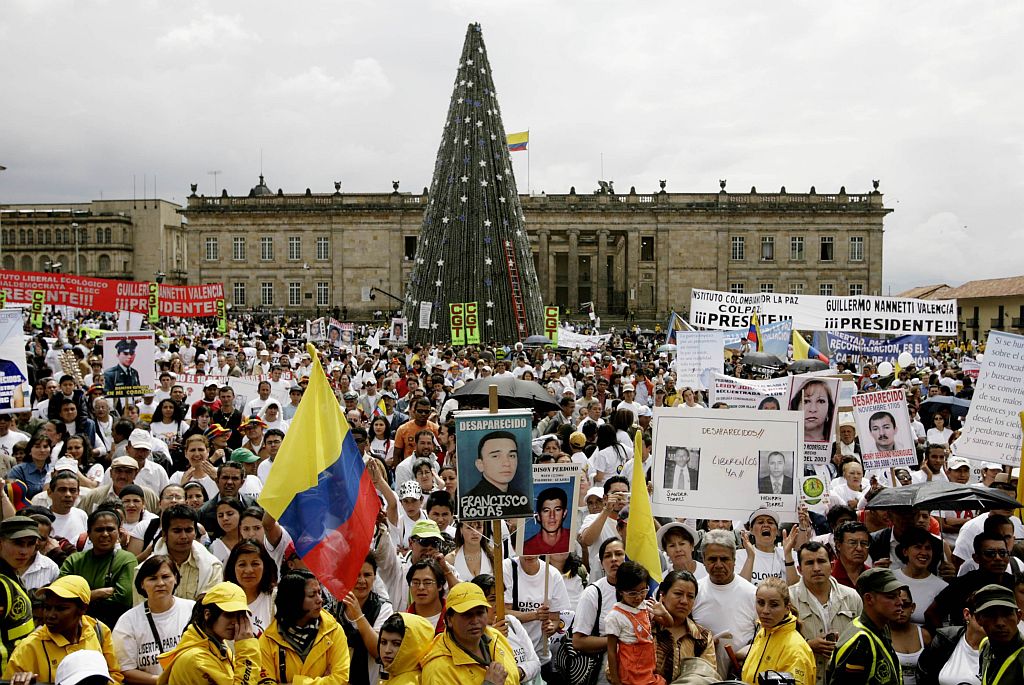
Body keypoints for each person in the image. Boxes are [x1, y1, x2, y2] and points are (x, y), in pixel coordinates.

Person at [3, 575, 121, 683]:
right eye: (47, 607)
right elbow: (10, 680)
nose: (50, 615)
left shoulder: (98, 630)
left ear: (82, 609)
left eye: (61, 608)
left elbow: (115, 675)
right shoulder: (29, 647)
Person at [155, 581, 262, 685]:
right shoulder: (196, 659)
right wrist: (247, 649)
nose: (235, 622)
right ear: (207, 614)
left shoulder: (219, 646)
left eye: (239, 615)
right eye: (229, 615)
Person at [259, 569, 351, 685]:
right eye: (312, 595)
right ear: (294, 600)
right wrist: (324, 681)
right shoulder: (269, 639)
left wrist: (296, 683)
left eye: (319, 593)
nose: (320, 600)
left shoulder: (334, 631)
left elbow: (341, 679)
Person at [113, 555, 194, 684]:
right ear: (142, 584)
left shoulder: (192, 610)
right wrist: (165, 681)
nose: (160, 583)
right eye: (152, 578)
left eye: (166, 577)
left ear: (176, 579)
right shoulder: (128, 621)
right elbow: (125, 670)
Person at [789, 542, 863, 685]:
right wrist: (808, 646)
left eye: (821, 561)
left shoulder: (852, 597)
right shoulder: (788, 599)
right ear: (799, 569)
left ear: (832, 565)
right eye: (810, 563)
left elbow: (864, 638)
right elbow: (777, 643)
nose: (816, 568)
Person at [420, 581, 519, 685]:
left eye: (480, 613)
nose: (475, 620)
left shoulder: (497, 638)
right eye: (467, 615)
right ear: (449, 620)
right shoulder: (437, 670)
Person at [825, 567, 906, 685]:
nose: (900, 602)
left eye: (899, 595)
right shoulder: (860, 641)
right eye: (891, 596)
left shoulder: (882, 626)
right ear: (869, 598)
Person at [59, 508, 138, 628]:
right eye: (99, 530)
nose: (105, 534)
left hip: (114, 627)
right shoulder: (74, 560)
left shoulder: (126, 560)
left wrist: (80, 598)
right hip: (75, 627)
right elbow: (62, 597)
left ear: (118, 533)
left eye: (110, 529)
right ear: (89, 535)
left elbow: (123, 599)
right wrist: (96, 594)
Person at [691, 529, 758, 652]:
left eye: (724, 559)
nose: (718, 565)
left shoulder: (752, 593)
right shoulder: (694, 593)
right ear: (704, 560)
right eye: (712, 559)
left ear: (734, 560)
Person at [743, 576, 816, 685]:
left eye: (774, 605)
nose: (765, 611)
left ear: (787, 608)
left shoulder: (796, 650)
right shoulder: (763, 634)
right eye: (761, 603)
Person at [574, 537, 626, 685]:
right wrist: (617, 640)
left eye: (618, 554)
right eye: (608, 556)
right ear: (602, 563)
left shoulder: (639, 590)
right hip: (604, 669)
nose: (614, 559)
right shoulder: (593, 593)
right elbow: (578, 641)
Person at [648, 570, 717, 683]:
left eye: (690, 596)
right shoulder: (645, 629)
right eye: (678, 594)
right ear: (663, 595)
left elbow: (708, 678)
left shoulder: (702, 637)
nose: (684, 601)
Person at [336, 554, 393, 685]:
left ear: (374, 577)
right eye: (356, 574)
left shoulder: (383, 607)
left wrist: (358, 614)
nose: (362, 581)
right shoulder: (334, 606)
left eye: (367, 575)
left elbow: (378, 651)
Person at [606, 560, 662, 685]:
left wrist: (663, 612)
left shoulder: (646, 607)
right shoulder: (615, 616)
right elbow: (611, 650)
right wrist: (615, 680)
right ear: (620, 591)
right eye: (632, 593)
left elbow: (669, 622)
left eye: (643, 591)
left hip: (648, 670)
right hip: (630, 674)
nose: (638, 597)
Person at [914, 591, 984, 685]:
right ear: (967, 614)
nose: (992, 620)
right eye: (984, 614)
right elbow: (924, 675)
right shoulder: (944, 639)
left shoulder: (1004, 649)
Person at [0, 516, 39, 673]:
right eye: (18, 543)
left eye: (30, 544)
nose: (24, 551)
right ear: (1, 543)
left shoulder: (12, 574)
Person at [462, 430, 531, 518]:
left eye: (511, 456)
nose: (506, 463)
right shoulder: (470, 502)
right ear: (480, 464)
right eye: (496, 456)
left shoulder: (522, 500)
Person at [891, 528, 947, 626]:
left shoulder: (942, 587)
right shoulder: (890, 578)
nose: (924, 553)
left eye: (928, 548)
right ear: (905, 551)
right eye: (918, 547)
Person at [223, 539, 278, 636]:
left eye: (255, 564)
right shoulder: (222, 600)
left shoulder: (275, 598)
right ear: (233, 568)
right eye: (242, 565)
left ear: (265, 567)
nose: (249, 570)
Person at [974, 583, 1024, 685]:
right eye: (991, 615)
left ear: (1018, 617)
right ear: (978, 619)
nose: (1000, 623)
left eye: (1007, 614)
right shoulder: (985, 645)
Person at [376, 612, 435, 685]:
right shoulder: (397, 675)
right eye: (383, 642)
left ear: (413, 646)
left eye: (396, 644)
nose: (387, 650)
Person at [889, 586, 930, 685]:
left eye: (905, 605)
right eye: (896, 605)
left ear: (913, 607)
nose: (901, 609)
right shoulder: (881, 634)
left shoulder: (924, 635)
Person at [523, 487, 571, 555]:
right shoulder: (526, 548)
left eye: (557, 510)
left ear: (564, 513)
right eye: (546, 511)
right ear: (538, 516)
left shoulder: (572, 540)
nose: (552, 516)